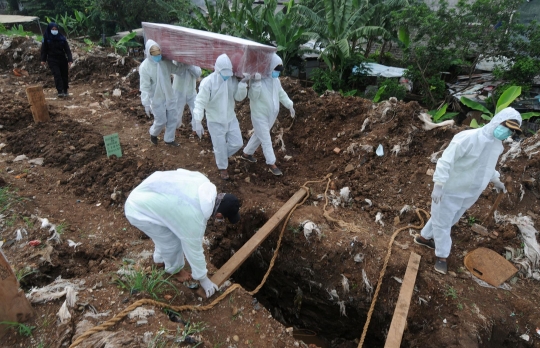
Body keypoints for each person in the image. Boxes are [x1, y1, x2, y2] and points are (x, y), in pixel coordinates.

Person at [414, 108, 522, 274]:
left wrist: (497, 181)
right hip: (450, 189)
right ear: (496, 121)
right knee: (442, 223)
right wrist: (439, 184)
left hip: (470, 193)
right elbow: (446, 161)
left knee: (448, 219)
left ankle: (423, 238)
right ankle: (442, 257)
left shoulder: (496, 146)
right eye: (505, 126)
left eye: (511, 130)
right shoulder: (468, 138)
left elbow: (488, 167)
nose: (507, 132)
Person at [124, 169, 241, 298]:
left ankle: (159, 260)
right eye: (222, 218)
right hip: (138, 209)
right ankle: (174, 271)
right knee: (172, 242)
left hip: (150, 192)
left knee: (167, 232)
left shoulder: (202, 181)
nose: (220, 220)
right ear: (219, 214)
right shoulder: (194, 218)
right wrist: (203, 279)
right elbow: (194, 250)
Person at [193, 54, 248, 180]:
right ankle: (223, 168)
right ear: (217, 70)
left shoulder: (231, 80)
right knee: (219, 146)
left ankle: (221, 156)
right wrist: (197, 120)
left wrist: (243, 85)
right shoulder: (208, 83)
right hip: (215, 120)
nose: (226, 75)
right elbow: (200, 102)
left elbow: (239, 97)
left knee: (237, 143)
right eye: (224, 72)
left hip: (230, 118)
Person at [241, 54, 295, 176]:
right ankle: (272, 164)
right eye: (276, 70)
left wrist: (290, 105)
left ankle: (246, 153)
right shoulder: (257, 79)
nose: (277, 73)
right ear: (270, 67)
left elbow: (281, 94)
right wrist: (257, 83)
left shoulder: (275, 81)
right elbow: (252, 97)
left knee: (259, 135)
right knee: (266, 139)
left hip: (271, 115)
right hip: (259, 115)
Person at [139, 39, 191, 147]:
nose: (157, 57)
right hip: (157, 98)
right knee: (161, 121)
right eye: (155, 55)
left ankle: (169, 139)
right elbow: (144, 87)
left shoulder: (164, 63)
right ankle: (153, 133)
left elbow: (177, 70)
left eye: (159, 54)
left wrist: (188, 64)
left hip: (169, 95)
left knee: (172, 118)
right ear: (149, 54)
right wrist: (146, 103)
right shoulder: (145, 67)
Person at [172, 63, 205, 138]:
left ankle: (195, 129)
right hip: (179, 90)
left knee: (196, 108)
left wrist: (190, 66)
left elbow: (198, 73)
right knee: (177, 110)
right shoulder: (177, 61)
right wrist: (184, 65)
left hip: (191, 90)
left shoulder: (193, 62)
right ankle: (175, 129)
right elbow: (175, 70)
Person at [40, 22, 73, 98]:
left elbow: (67, 49)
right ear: (49, 29)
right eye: (53, 29)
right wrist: (43, 60)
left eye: (56, 29)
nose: (54, 30)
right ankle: (60, 91)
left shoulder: (62, 38)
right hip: (52, 59)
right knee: (57, 74)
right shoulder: (46, 38)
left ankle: (65, 90)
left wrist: (70, 59)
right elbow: (44, 50)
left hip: (62, 58)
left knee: (64, 75)